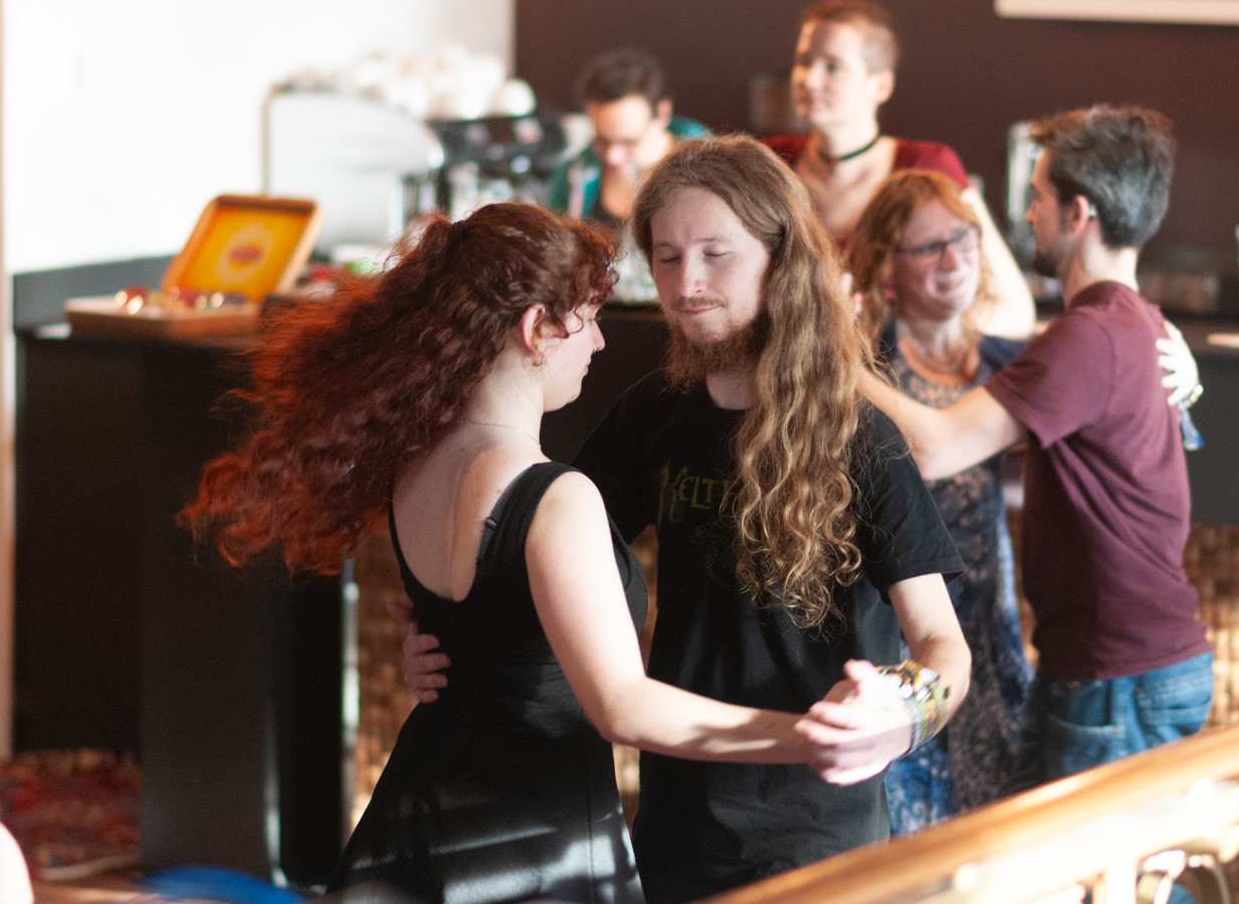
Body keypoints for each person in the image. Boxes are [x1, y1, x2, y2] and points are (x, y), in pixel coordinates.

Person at [181, 206, 898, 904]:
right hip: (527, 839)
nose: (600, 343)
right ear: (535, 329)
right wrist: (812, 737)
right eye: (587, 319)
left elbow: (482, 627)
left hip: (423, 812)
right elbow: (623, 707)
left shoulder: (415, 466)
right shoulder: (557, 497)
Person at [408, 136, 972, 904]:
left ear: (780, 259)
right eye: (667, 258)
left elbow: (943, 647)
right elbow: (530, 559)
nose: (686, 283)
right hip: (673, 821)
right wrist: (434, 638)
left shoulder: (858, 436)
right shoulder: (654, 412)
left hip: (816, 831)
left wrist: (904, 714)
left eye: (715, 255)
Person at [856, 105, 1213, 795]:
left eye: (1038, 196)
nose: (1027, 214)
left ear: (1078, 214)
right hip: (1106, 665)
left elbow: (933, 449)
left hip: (1116, 674)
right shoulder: (1134, 324)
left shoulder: (1089, 336)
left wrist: (828, 358)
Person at [846, 170, 1034, 831]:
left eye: (963, 238)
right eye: (928, 248)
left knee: (994, 830)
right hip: (900, 634)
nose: (953, 261)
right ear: (886, 268)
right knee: (908, 828)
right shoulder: (866, 365)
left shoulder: (1009, 360)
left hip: (989, 627)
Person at [763, 0, 1035, 339]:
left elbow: (1015, 311)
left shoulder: (926, 166)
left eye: (832, 67)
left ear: (881, 86)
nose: (810, 80)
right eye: (804, 62)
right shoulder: (769, 162)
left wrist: (901, 327)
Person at [550, 47, 709, 227]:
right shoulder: (572, 175)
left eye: (629, 142)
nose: (613, 157)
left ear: (662, 113)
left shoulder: (710, 169)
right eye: (602, 142)